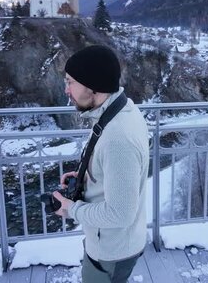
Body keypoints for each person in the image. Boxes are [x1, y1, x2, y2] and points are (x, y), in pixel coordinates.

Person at [52, 45, 150, 282]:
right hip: (110, 241)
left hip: (113, 250)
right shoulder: (118, 109)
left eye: (70, 82)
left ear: (92, 86)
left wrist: (70, 209)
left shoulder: (119, 138)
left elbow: (120, 214)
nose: (66, 90)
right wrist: (86, 175)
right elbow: (114, 167)